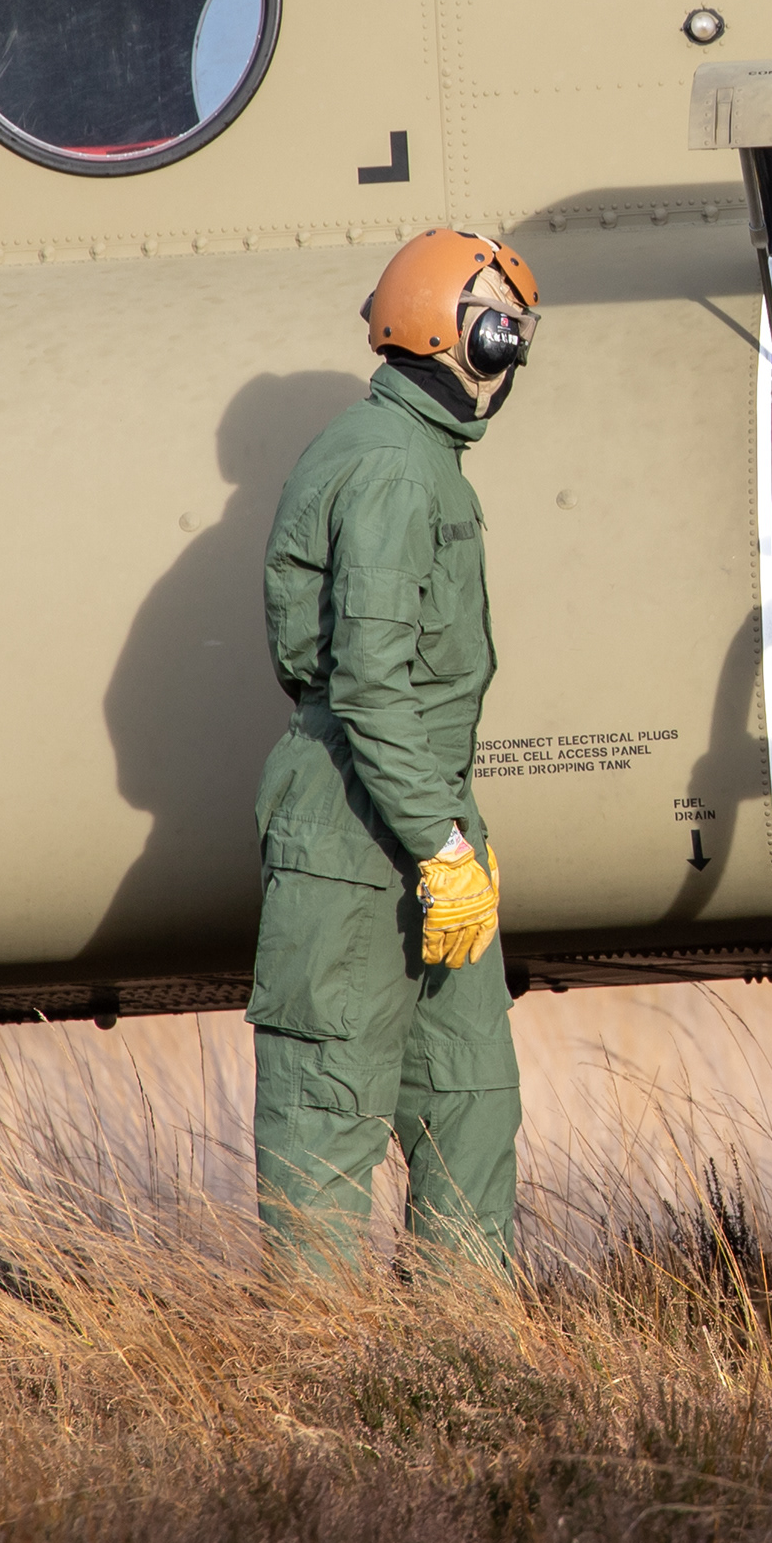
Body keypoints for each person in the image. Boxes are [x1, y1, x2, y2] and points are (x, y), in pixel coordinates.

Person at [246, 228, 540, 1273]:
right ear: (450, 332)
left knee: (469, 1095)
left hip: (424, 808)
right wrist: (438, 842)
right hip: (358, 821)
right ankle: (315, 1362)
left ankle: (464, 1351)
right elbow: (370, 686)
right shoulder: (389, 467)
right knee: (329, 1107)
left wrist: (449, 836)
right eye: (499, 327)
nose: (510, 350)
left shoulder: (420, 457)